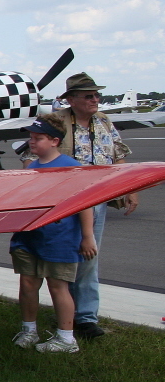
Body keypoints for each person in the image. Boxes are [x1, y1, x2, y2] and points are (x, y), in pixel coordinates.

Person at [53, 72, 136, 340]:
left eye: (97, 95)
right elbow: (33, 158)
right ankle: (63, 311)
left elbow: (119, 155)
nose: (95, 99)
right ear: (72, 99)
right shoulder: (55, 123)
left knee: (90, 256)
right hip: (64, 200)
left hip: (97, 200)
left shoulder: (104, 121)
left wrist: (130, 190)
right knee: (61, 257)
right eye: (89, 95)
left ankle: (86, 317)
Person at [10, 115, 98, 354]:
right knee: (28, 283)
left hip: (60, 238)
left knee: (58, 286)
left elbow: (84, 203)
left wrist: (87, 236)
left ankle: (66, 338)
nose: (32, 143)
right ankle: (29, 330)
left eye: (38, 138)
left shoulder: (71, 167)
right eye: (31, 138)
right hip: (29, 237)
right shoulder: (32, 166)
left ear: (54, 141)